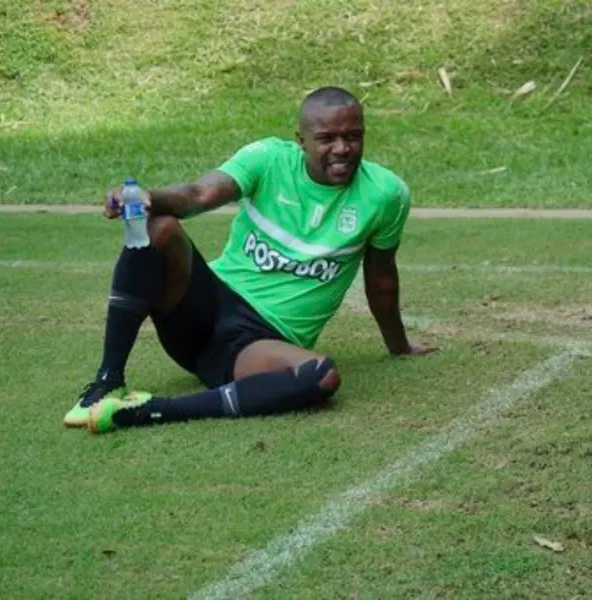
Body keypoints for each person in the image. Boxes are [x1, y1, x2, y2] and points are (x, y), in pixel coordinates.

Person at [62, 86, 437, 434]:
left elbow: (382, 278)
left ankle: (151, 411)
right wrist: (149, 196)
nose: (342, 148)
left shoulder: (386, 194)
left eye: (354, 136)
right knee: (160, 226)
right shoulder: (268, 159)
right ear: (301, 141)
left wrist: (398, 345)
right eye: (326, 138)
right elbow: (200, 194)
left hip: (254, 346)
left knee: (322, 376)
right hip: (202, 310)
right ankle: (107, 382)